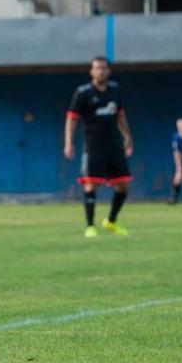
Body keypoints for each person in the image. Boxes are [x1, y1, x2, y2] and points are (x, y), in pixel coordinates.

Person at [63, 56, 133, 238]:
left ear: (108, 71)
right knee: (91, 185)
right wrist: (68, 142)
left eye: (103, 68)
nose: (100, 71)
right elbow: (71, 119)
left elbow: (120, 115)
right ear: (91, 71)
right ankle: (90, 226)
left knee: (123, 186)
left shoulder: (115, 90)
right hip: (93, 147)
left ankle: (111, 221)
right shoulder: (83, 92)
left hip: (114, 145)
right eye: (97, 68)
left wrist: (127, 136)